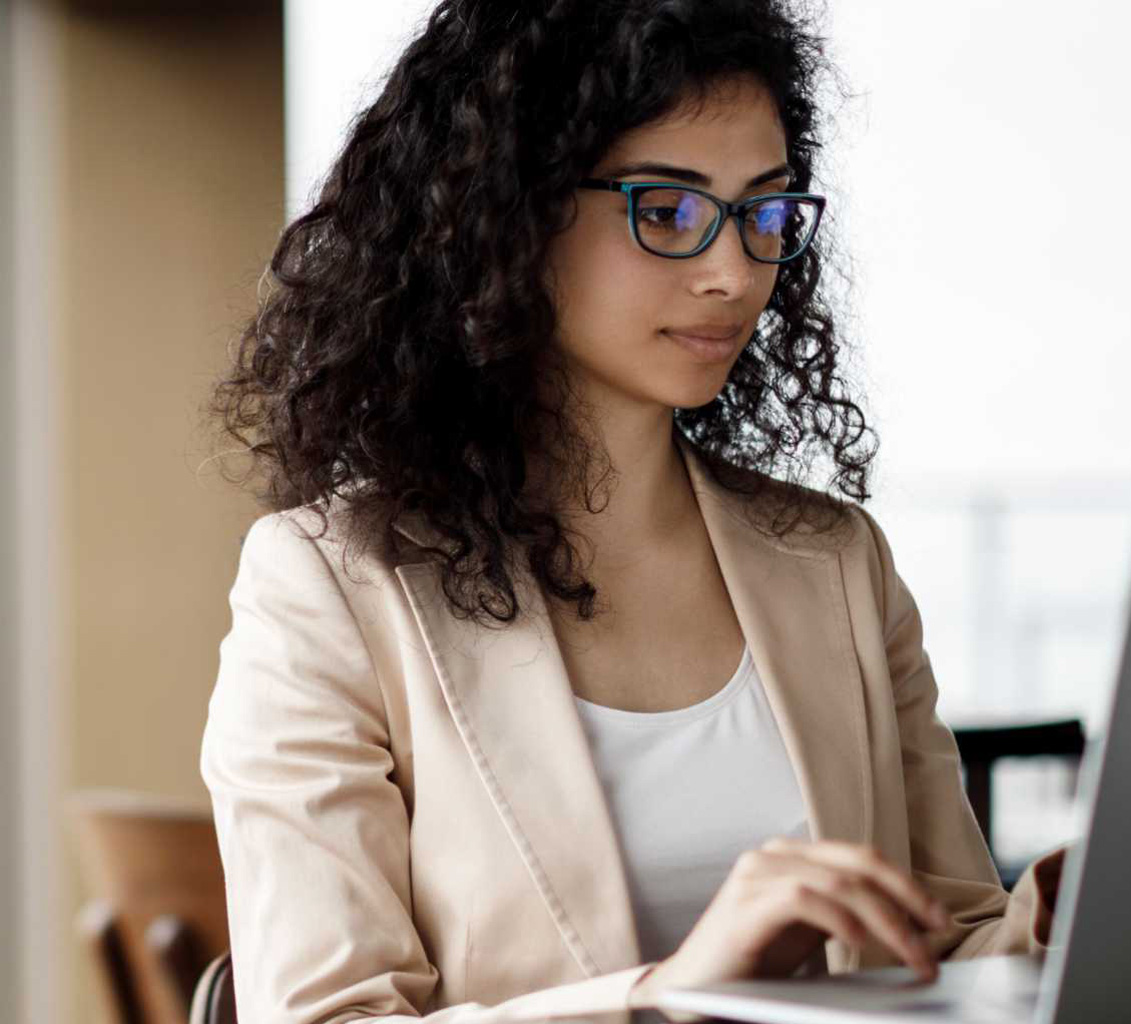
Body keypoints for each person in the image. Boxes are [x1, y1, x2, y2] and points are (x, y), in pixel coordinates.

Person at [201, 1, 1066, 1021]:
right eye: (668, 211)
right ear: (505, 216)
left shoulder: (837, 561)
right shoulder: (329, 587)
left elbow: (956, 948)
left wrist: (1067, 904)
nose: (734, 272)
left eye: (765, 212)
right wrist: (668, 995)